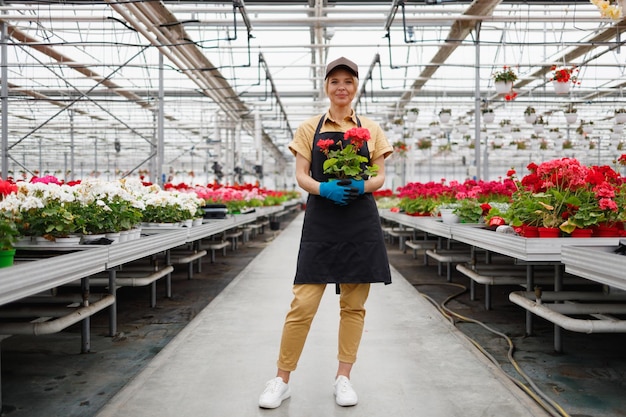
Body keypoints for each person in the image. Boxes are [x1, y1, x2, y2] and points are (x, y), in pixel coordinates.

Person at [258, 57, 393, 409]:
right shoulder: (308, 128)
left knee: (354, 305)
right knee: (302, 303)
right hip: (322, 218)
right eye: (335, 82)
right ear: (327, 87)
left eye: (348, 81)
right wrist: (324, 189)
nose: (342, 87)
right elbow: (301, 175)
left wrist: (362, 184)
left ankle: (343, 378)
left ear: (356, 86)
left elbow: (380, 176)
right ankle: (281, 379)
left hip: (359, 219)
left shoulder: (372, 129)